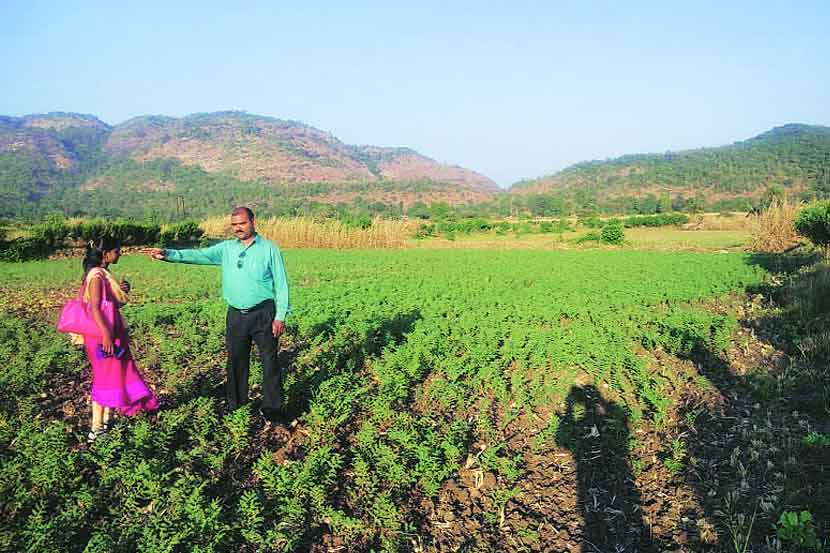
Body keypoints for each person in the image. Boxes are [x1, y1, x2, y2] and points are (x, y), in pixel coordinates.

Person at [147, 207, 290, 423]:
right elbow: (198, 255)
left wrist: (280, 316)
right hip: (236, 315)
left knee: (269, 363)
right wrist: (168, 254)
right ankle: (236, 405)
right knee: (235, 362)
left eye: (242, 223)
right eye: (234, 225)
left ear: (252, 221)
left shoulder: (269, 249)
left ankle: (273, 410)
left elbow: (281, 285)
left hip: (264, 314)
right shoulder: (226, 249)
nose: (238, 228)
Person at [81, 237, 158, 442]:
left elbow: (109, 306)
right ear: (106, 254)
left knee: (113, 377)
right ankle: (96, 430)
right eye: (117, 250)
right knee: (104, 378)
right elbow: (95, 307)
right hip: (102, 336)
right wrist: (106, 334)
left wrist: (122, 292)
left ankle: (105, 425)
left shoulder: (102, 274)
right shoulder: (97, 276)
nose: (120, 254)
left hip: (109, 333)